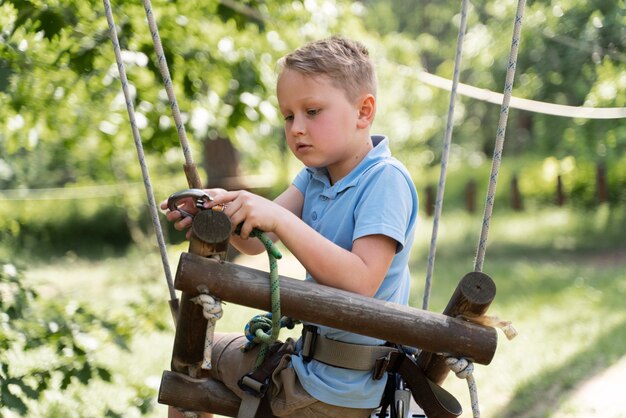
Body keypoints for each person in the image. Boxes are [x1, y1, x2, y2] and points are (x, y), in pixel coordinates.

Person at [163, 36, 418, 418]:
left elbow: (363, 280)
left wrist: (276, 216)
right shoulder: (315, 177)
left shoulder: (385, 180)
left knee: (194, 363)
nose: (297, 127)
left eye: (312, 111)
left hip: (346, 387)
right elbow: (254, 243)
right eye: (288, 116)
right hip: (309, 368)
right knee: (193, 360)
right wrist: (221, 209)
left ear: (363, 112)